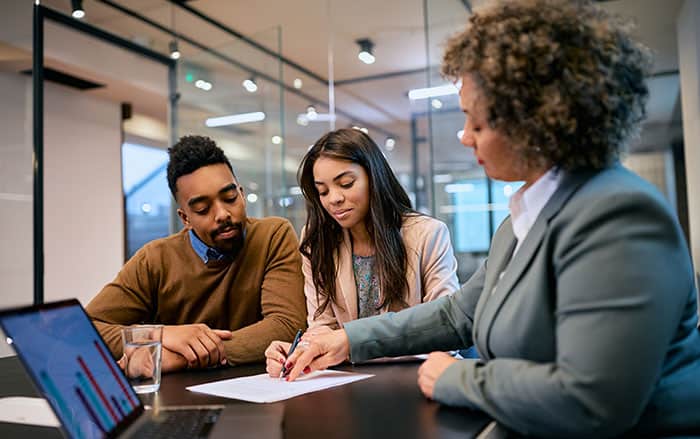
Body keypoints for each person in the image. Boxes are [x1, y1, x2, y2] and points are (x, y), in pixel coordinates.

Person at [275, 1, 700, 437]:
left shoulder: (619, 215)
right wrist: (346, 339)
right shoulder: (525, 217)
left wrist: (457, 378)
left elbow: (591, 400)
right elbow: (460, 314)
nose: (464, 136)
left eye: (477, 122)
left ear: (537, 119)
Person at [87, 135, 306, 373]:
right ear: (185, 218)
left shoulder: (273, 235)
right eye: (203, 208)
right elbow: (84, 331)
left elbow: (286, 325)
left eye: (230, 198)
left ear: (241, 195)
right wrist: (158, 335)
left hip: (263, 395)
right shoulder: (155, 260)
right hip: (180, 400)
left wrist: (176, 358)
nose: (222, 214)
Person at [265, 128, 459, 375]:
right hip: (346, 383)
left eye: (346, 184)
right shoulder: (316, 242)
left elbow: (445, 331)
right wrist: (303, 349)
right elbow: (323, 326)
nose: (333, 199)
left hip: (417, 378)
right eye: (322, 191)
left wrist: (351, 345)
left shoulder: (428, 234)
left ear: (373, 177)